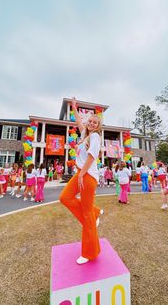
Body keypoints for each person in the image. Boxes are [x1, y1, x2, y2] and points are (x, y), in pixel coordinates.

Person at [60, 97, 103, 265]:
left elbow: (92, 156)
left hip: (87, 176)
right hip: (80, 173)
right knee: (65, 198)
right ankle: (95, 212)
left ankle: (90, 252)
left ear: (98, 126)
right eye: (90, 121)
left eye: (95, 122)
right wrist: (74, 106)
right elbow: (79, 121)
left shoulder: (95, 138)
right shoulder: (85, 135)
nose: (91, 123)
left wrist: (80, 174)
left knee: (86, 217)